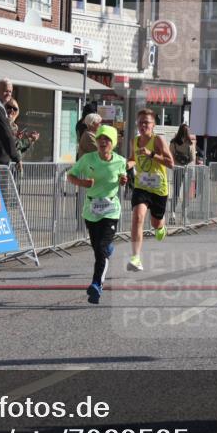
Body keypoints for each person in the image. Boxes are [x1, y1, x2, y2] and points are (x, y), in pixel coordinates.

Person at [67, 125, 128, 304]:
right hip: (92, 209)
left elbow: (123, 177)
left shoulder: (120, 161)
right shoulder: (87, 159)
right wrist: (82, 183)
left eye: (107, 139)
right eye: (101, 138)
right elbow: (71, 176)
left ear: (113, 143)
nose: (103, 141)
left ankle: (96, 284)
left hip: (111, 209)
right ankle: (108, 249)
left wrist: (124, 180)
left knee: (101, 248)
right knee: (98, 249)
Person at [126, 109, 174, 272]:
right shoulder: (135, 141)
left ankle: (161, 227)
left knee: (155, 223)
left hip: (159, 189)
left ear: (153, 125)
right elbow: (133, 159)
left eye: (146, 122)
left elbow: (170, 163)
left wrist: (151, 154)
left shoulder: (158, 140)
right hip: (141, 186)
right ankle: (136, 258)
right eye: (140, 122)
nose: (143, 125)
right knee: (138, 217)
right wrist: (127, 165)